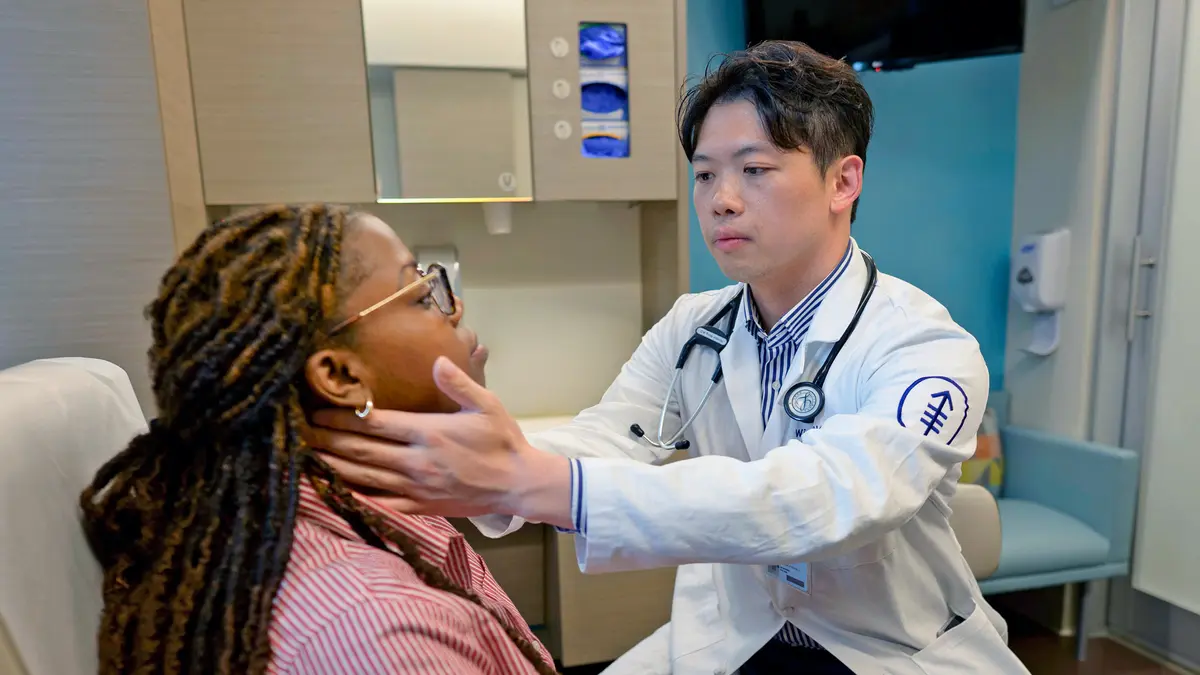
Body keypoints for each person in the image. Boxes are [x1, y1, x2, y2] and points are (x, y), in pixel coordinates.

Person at [309, 41, 1031, 675]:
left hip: (890, 652)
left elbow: (831, 498)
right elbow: (609, 438)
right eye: (705, 174)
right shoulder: (695, 326)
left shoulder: (924, 347)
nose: (721, 200)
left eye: (754, 169)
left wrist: (538, 482)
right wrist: (495, 464)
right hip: (735, 638)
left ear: (844, 181)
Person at [79, 204, 558, 675]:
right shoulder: (378, 628)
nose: (454, 310)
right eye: (419, 294)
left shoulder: (375, 515)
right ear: (339, 375)